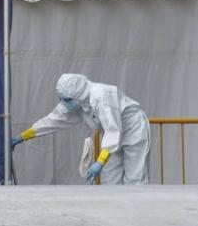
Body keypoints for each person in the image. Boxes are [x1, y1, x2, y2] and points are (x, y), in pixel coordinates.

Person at [12, 73, 150, 184]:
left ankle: (137, 216)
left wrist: (99, 162)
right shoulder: (79, 102)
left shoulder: (102, 96)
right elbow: (52, 120)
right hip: (110, 136)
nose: (63, 103)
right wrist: (21, 137)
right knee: (110, 180)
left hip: (133, 130)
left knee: (135, 179)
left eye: (66, 100)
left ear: (77, 94)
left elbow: (113, 129)